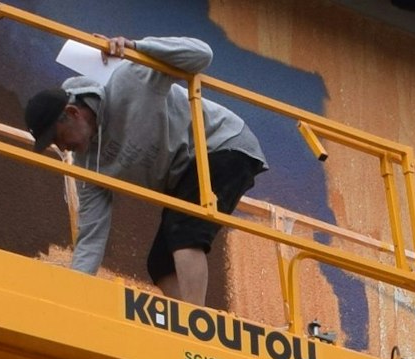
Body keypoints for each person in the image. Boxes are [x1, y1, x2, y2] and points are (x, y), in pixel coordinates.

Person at [24, 35, 268, 307]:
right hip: (184, 173)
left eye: (58, 138)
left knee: (184, 230)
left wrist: (137, 48)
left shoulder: (130, 81)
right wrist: (72, 299)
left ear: (73, 113)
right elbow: (91, 237)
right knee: (160, 264)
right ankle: (187, 323)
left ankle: (199, 325)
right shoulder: (88, 166)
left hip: (223, 143)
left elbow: (203, 54)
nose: (62, 147)